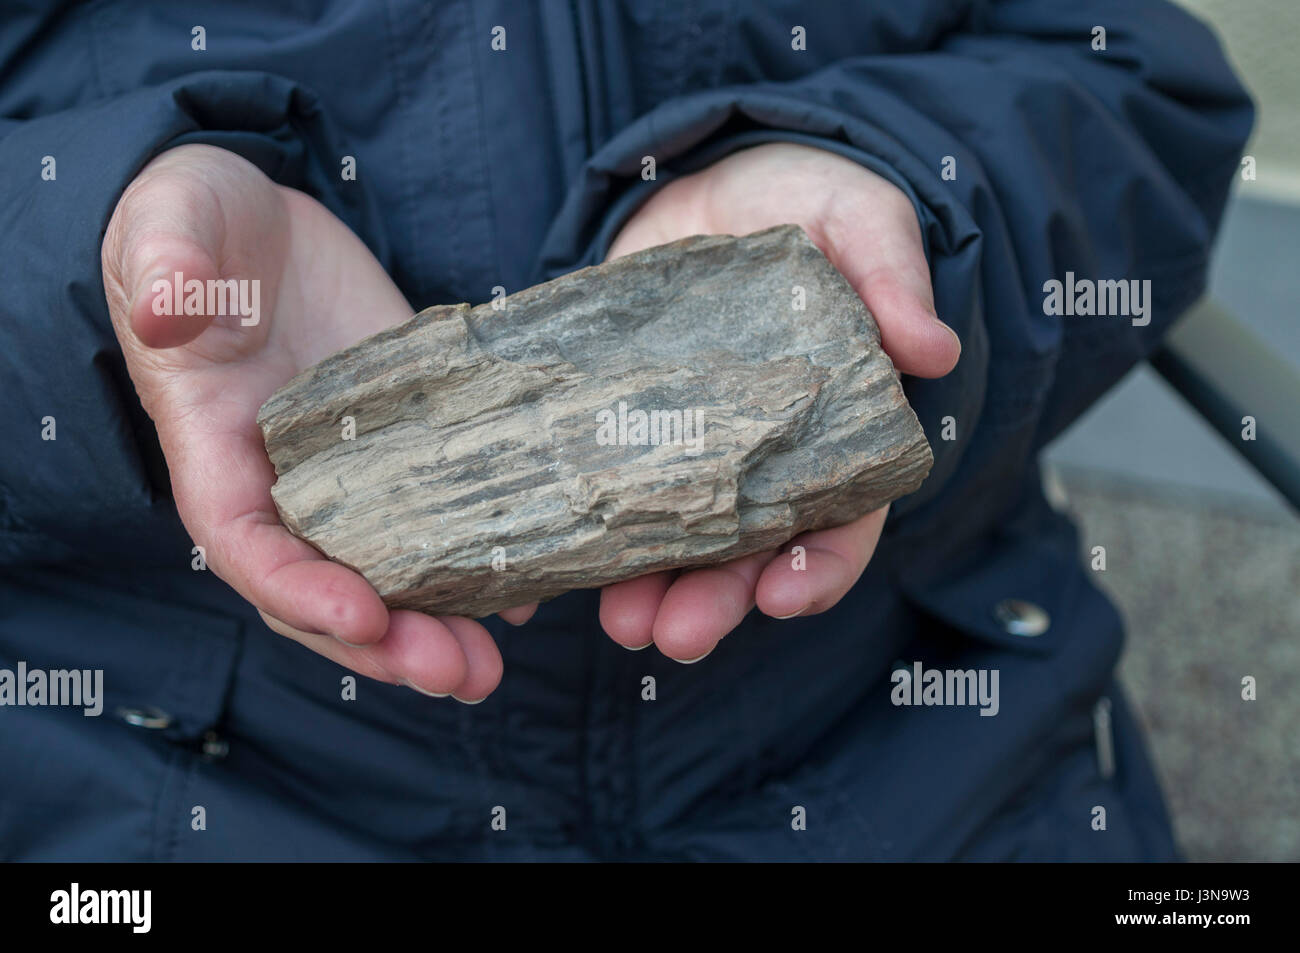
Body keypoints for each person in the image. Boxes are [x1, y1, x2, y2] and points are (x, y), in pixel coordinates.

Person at [0, 1, 1252, 860]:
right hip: (165, 777)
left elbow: (1139, 76)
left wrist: (917, 208)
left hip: (920, 751)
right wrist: (97, 281)